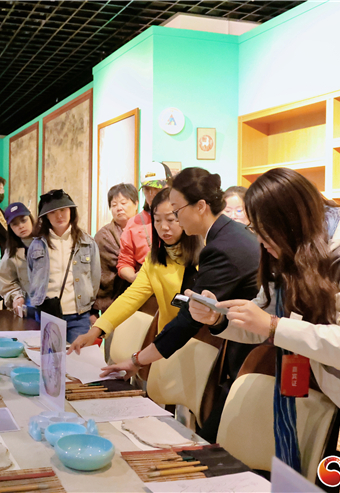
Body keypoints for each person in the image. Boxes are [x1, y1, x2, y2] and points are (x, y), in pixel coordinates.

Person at [188, 168, 340, 479]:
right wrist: (218, 318)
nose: (258, 239)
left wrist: (273, 326)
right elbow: (264, 316)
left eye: (262, 229)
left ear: (290, 222)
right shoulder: (298, 253)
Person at [100, 167, 260, 442]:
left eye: (176, 211)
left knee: (219, 446)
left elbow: (188, 320)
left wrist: (137, 360)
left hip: (252, 357)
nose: (172, 220)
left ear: (200, 207)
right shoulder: (226, 236)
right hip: (239, 347)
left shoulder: (221, 247)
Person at [70, 187, 202, 354]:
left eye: (170, 219)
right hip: (168, 344)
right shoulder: (154, 260)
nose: (163, 227)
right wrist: (96, 330)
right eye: (157, 220)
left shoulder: (207, 254)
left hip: (202, 344)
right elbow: (131, 297)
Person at [27, 189, 101, 343]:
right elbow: (31, 276)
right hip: (47, 314)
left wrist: (91, 307)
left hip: (79, 315)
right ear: (46, 216)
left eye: (63, 210)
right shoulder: (37, 244)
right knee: (50, 355)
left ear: (71, 211)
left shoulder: (87, 242)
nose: (59, 216)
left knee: (77, 355)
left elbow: (95, 278)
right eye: (53, 212)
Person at [118, 164, 172, 283]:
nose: (152, 194)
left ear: (168, 186)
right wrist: (133, 277)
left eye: (157, 187)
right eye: (147, 189)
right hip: (146, 283)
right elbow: (124, 261)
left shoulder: (181, 216)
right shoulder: (134, 223)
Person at [93, 183, 139, 316]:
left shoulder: (148, 228)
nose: (119, 208)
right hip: (113, 303)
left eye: (123, 203)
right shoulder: (103, 236)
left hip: (145, 302)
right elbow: (96, 273)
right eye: (114, 205)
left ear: (136, 204)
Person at [0, 202, 35, 316]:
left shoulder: (47, 242)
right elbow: (5, 280)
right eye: (15, 224)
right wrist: (17, 296)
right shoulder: (11, 252)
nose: (21, 226)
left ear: (31, 219)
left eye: (24, 220)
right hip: (28, 305)